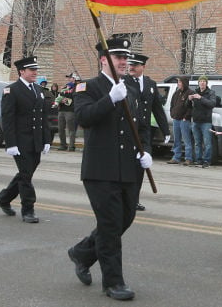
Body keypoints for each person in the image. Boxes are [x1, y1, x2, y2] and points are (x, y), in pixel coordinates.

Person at [67, 38, 152, 301]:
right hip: (100, 170)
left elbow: (142, 127)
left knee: (124, 219)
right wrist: (110, 99)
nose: (125, 62)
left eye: (126, 57)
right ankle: (114, 283)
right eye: (118, 57)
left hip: (129, 169)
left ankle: (83, 252)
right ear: (104, 59)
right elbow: (83, 119)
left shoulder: (132, 89)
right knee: (111, 226)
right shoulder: (88, 87)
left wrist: (146, 150)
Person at [0, 56, 52, 223]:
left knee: (25, 174)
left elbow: (42, 117)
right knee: (26, 176)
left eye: (36, 70)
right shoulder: (12, 90)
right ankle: (28, 209)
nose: (35, 73)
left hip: (36, 141)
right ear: (22, 71)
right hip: (20, 142)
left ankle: (3, 198)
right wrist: (10, 143)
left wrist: (46, 140)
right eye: (31, 70)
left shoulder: (39, 90)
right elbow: (8, 119)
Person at [126, 53, 170, 211]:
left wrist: (165, 130)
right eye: (130, 65)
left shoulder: (150, 84)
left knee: (140, 167)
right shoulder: (123, 82)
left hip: (145, 133)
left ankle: (134, 200)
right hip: (128, 131)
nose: (131, 67)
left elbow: (157, 108)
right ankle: (125, 199)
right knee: (127, 167)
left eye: (135, 65)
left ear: (143, 67)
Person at [189, 75, 217, 168]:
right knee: (197, 143)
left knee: (207, 142)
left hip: (206, 122)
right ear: (198, 83)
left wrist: (201, 98)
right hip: (196, 121)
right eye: (200, 81)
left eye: (204, 81)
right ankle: (199, 160)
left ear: (206, 83)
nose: (202, 83)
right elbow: (187, 106)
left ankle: (207, 161)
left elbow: (212, 104)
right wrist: (189, 100)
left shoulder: (211, 93)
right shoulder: (194, 92)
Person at [167, 76, 195, 165]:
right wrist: (172, 114)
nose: (178, 83)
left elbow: (191, 108)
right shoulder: (176, 93)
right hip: (176, 119)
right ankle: (176, 157)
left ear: (184, 83)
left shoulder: (190, 93)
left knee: (187, 140)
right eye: (178, 82)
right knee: (176, 139)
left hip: (184, 120)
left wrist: (186, 117)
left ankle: (188, 158)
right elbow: (172, 104)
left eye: (180, 82)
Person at [56, 73, 78, 151]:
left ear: (74, 78)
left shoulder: (77, 87)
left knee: (71, 129)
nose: (68, 79)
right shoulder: (65, 87)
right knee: (60, 128)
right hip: (61, 110)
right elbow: (59, 96)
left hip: (71, 111)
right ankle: (63, 145)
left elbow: (77, 97)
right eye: (68, 78)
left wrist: (67, 99)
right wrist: (60, 100)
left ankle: (71, 146)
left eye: (70, 77)